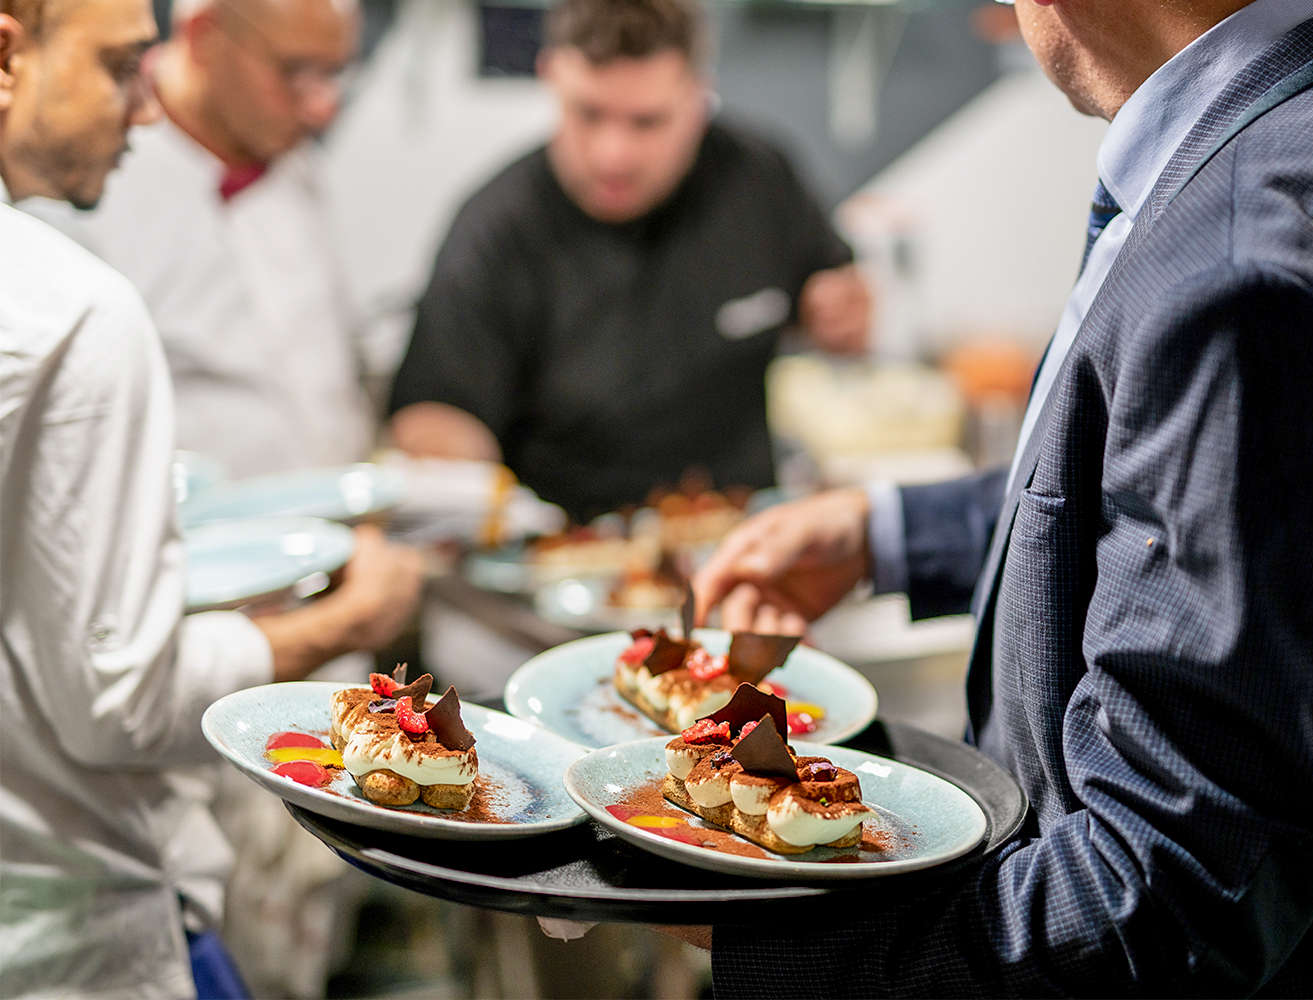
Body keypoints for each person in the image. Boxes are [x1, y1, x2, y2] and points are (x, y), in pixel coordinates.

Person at [691, 0, 1313, 994]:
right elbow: (1230, 503)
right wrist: (891, 534)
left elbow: (1162, 891)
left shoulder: (1253, 256)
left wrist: (766, 946)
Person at [0, 0, 423, 994]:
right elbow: (122, 696)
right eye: (115, 68)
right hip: (81, 903)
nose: (139, 110)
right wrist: (348, 620)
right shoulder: (76, 305)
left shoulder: (290, 185)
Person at [386, 0, 871, 523]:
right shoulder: (496, 230)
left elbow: (832, 297)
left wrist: (839, 317)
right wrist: (454, 470)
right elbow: (432, 415)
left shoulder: (760, 179)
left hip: (741, 541)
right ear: (550, 78)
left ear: (697, 97)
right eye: (589, 113)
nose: (611, 155)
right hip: (566, 554)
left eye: (646, 122)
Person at [16, 0, 370, 481]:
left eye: (335, 74)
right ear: (204, 37)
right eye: (295, 70)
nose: (322, 107)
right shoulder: (85, 179)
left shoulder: (298, 168)